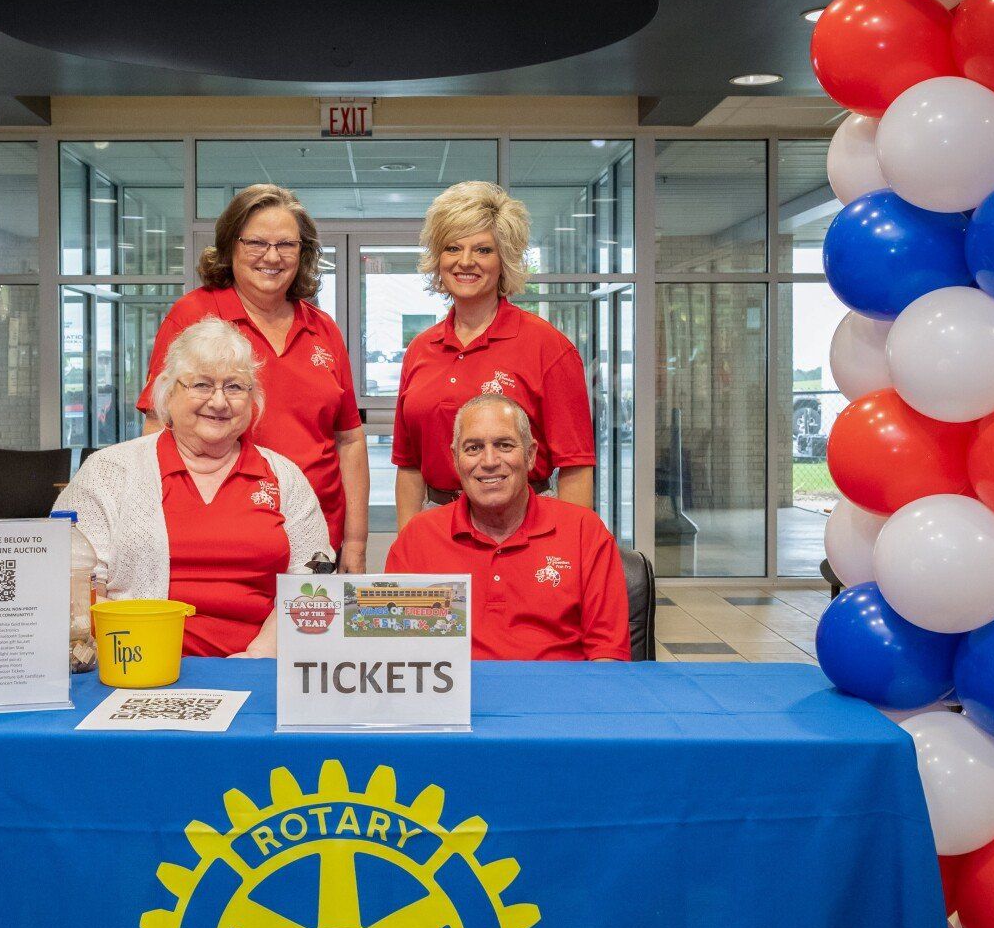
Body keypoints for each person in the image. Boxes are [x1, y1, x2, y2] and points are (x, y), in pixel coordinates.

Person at [60, 318, 329, 658]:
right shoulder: (109, 472)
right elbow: (72, 585)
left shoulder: (283, 476)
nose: (219, 402)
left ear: (252, 400)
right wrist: (144, 653)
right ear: (168, 394)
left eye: (234, 387)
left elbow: (317, 577)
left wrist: (262, 654)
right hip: (135, 667)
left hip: (260, 665)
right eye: (201, 385)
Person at [135, 184, 369, 572]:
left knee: (307, 632)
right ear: (230, 247)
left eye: (287, 244)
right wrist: (147, 525)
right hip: (222, 536)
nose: (272, 257)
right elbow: (159, 423)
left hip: (316, 538)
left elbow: (349, 439)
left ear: (303, 252)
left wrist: (357, 542)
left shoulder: (323, 328)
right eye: (256, 242)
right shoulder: (194, 315)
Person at [392, 181, 596, 534]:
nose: (466, 262)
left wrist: (568, 549)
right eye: (453, 248)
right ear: (438, 259)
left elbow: (575, 466)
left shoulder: (547, 345)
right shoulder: (420, 349)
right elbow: (409, 466)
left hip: (523, 524)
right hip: (437, 525)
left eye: (483, 250)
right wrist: (407, 544)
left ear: (504, 261)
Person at [385, 394, 627, 661]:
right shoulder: (418, 538)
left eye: (504, 445)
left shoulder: (585, 531)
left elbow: (608, 656)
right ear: (455, 459)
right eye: (473, 448)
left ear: (530, 455)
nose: (489, 461)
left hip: (559, 698)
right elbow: (398, 653)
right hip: (454, 699)